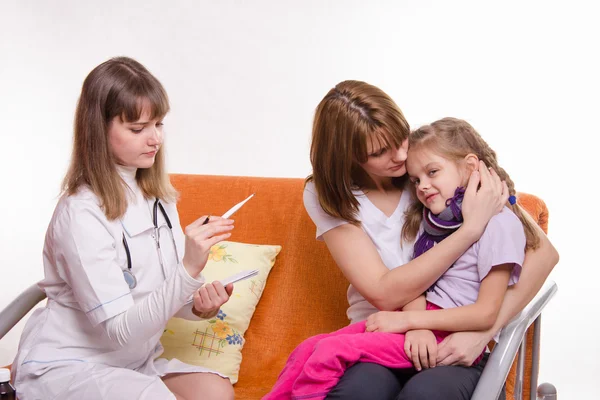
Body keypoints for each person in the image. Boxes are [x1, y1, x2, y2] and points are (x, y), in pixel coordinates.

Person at [299, 81, 559, 400]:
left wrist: (483, 333)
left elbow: (543, 253)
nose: (400, 155)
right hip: (381, 334)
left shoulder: (430, 168)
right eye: (380, 152)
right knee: (358, 393)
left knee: (426, 394)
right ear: (347, 158)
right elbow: (384, 292)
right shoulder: (329, 194)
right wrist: (469, 231)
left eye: (400, 138)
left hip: (452, 333)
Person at [11, 57, 236, 400]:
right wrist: (189, 268)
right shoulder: (81, 214)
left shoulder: (159, 199)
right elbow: (120, 330)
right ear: (98, 128)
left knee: (215, 392)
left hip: (134, 362)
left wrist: (200, 307)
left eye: (158, 124)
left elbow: (160, 297)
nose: (154, 139)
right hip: (71, 365)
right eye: (137, 128)